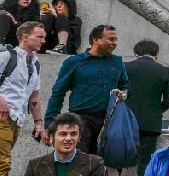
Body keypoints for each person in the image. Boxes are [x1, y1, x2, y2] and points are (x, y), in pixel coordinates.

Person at [42, 24, 129, 156]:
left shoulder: (117, 62)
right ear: (96, 40)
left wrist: (124, 92)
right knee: (79, 163)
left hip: (109, 122)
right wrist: (50, 124)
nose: (114, 43)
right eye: (110, 39)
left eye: (116, 39)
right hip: (81, 120)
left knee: (103, 165)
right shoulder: (74, 62)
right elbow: (58, 92)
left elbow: (125, 85)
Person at [0, 21, 46, 176]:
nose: (43, 40)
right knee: (2, 163)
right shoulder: (6, 56)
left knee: (5, 163)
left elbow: (34, 95)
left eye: (44, 37)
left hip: (17, 119)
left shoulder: (35, 63)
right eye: (39, 36)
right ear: (24, 37)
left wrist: (38, 122)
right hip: (1, 117)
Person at [124, 40, 169, 176]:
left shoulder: (125, 67)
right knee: (145, 167)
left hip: (126, 121)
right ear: (157, 54)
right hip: (150, 124)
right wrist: (155, 109)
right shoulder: (164, 71)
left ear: (136, 53)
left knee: (117, 163)